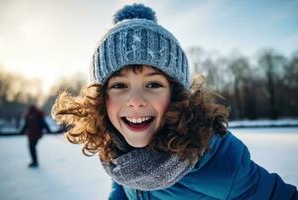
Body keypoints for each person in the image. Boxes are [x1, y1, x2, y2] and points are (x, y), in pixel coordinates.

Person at [51, 4, 297, 199]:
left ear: (177, 94)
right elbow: (123, 187)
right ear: (101, 100)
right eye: (119, 86)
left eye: (153, 84)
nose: (135, 101)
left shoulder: (218, 165)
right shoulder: (118, 148)